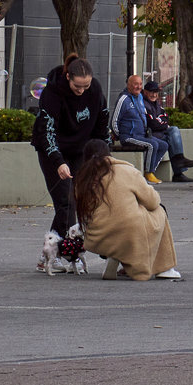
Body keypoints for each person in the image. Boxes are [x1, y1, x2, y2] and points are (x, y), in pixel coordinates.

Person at [31, 56, 110, 270]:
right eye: (77, 86)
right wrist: (58, 162)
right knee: (66, 201)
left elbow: (102, 125)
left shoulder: (94, 91)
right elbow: (47, 131)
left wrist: (104, 156)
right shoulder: (52, 94)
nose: (82, 90)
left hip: (79, 150)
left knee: (82, 199)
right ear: (68, 77)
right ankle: (59, 253)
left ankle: (50, 254)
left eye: (86, 85)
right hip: (52, 151)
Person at [73, 140, 182, 281]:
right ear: (108, 153)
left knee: (118, 220)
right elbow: (153, 201)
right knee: (159, 211)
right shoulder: (127, 170)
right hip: (128, 232)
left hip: (97, 237)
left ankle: (118, 257)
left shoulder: (82, 179)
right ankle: (164, 268)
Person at [112, 74, 169, 184]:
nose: (138, 87)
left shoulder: (140, 98)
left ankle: (150, 170)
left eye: (140, 84)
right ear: (129, 85)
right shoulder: (124, 99)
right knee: (152, 145)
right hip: (129, 136)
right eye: (135, 84)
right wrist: (121, 136)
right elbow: (114, 120)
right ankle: (148, 173)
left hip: (141, 135)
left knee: (164, 145)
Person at [140, 80, 193, 182]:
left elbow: (165, 117)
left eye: (156, 92)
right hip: (149, 134)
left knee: (173, 133)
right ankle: (178, 169)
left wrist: (161, 122)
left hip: (158, 133)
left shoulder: (157, 104)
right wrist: (162, 123)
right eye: (151, 92)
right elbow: (152, 123)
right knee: (172, 133)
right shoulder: (143, 104)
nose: (154, 94)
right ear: (145, 92)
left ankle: (179, 166)